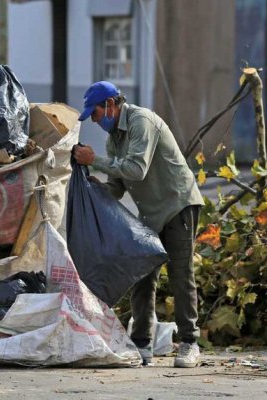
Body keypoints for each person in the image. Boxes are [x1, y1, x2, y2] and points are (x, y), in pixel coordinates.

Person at [73, 81, 204, 368]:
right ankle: (142, 344)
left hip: (178, 204)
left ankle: (189, 343)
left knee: (181, 275)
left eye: (94, 114)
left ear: (110, 105)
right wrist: (90, 187)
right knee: (142, 275)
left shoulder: (141, 121)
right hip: (151, 213)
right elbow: (117, 187)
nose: (95, 121)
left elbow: (137, 169)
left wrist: (95, 160)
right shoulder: (114, 140)